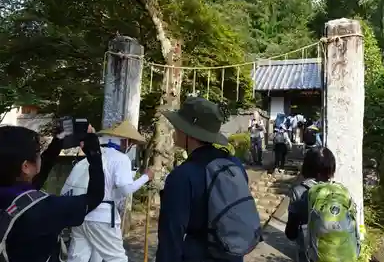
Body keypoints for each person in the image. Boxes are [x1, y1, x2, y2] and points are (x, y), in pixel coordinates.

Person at [156, 97, 262, 262]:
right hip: (231, 254)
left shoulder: (182, 176)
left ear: (188, 132)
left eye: (178, 126)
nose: (175, 129)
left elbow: (171, 238)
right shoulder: (233, 164)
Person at [0, 124, 104, 262]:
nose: (40, 157)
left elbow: (32, 184)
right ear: (25, 166)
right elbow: (94, 197)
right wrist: (94, 153)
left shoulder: (14, 198)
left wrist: (58, 140)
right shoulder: (45, 208)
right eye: (37, 153)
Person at [64, 120, 154, 262]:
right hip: (102, 217)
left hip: (81, 214)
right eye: (131, 143)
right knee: (116, 258)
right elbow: (126, 189)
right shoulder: (120, 159)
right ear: (126, 142)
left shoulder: (92, 156)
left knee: (78, 258)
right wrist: (146, 177)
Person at [285, 147, 360, 262]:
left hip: (309, 256)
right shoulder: (340, 192)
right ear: (331, 168)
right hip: (342, 255)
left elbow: (291, 233)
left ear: (307, 167)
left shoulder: (298, 192)